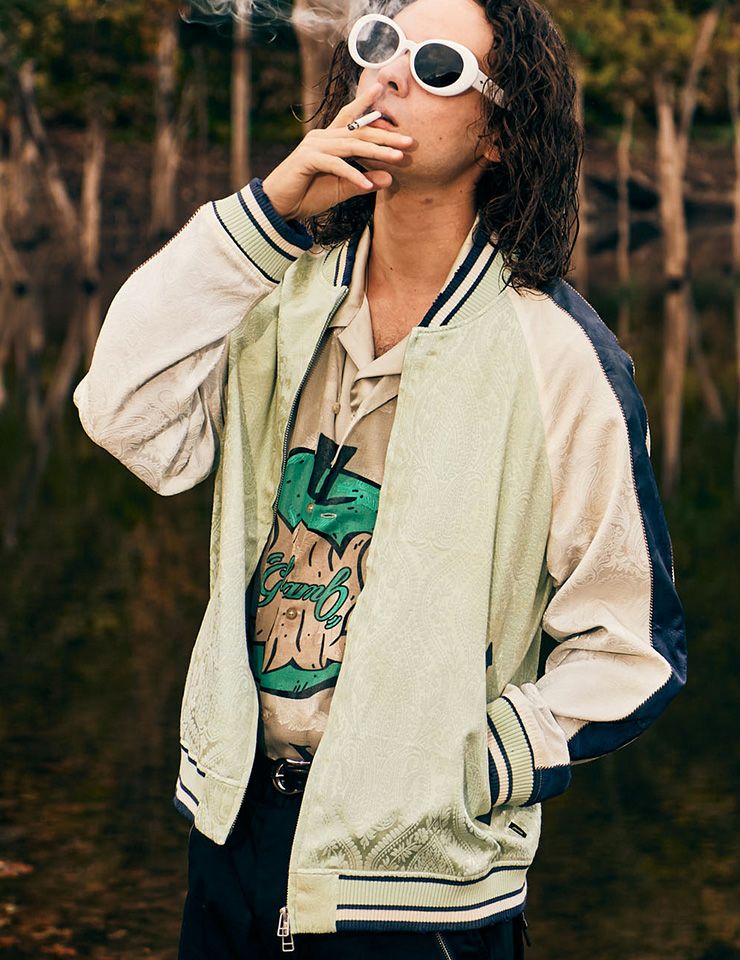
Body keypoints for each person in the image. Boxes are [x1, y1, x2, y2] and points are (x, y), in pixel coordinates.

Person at [73, 0, 688, 957]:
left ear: (499, 132)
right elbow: (124, 415)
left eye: (437, 65)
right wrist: (266, 213)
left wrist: (468, 769)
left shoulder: (561, 358)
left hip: (420, 888)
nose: (392, 72)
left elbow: (631, 646)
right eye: (380, 44)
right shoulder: (276, 293)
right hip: (232, 836)